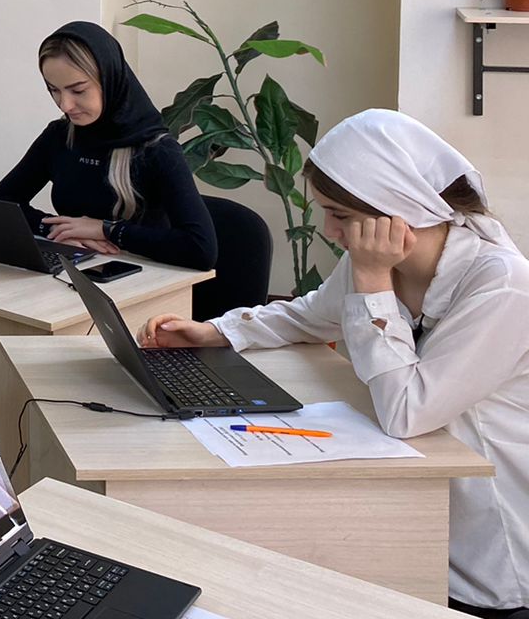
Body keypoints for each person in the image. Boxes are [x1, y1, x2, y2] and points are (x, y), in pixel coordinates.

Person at [139, 110, 529, 618]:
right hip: (417, 502)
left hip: (492, 546)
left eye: (339, 215)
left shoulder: (502, 286)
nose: (329, 230)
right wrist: (216, 331)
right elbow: (311, 314)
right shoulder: (378, 259)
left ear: (396, 210)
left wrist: (373, 281)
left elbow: (407, 412)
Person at [0, 21, 216, 270]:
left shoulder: (157, 150)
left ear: (109, 80)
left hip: (143, 279)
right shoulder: (59, 136)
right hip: (79, 271)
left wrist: (106, 230)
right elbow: (0, 204)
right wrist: (61, 230)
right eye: (54, 90)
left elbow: (201, 250)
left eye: (78, 90)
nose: (65, 105)